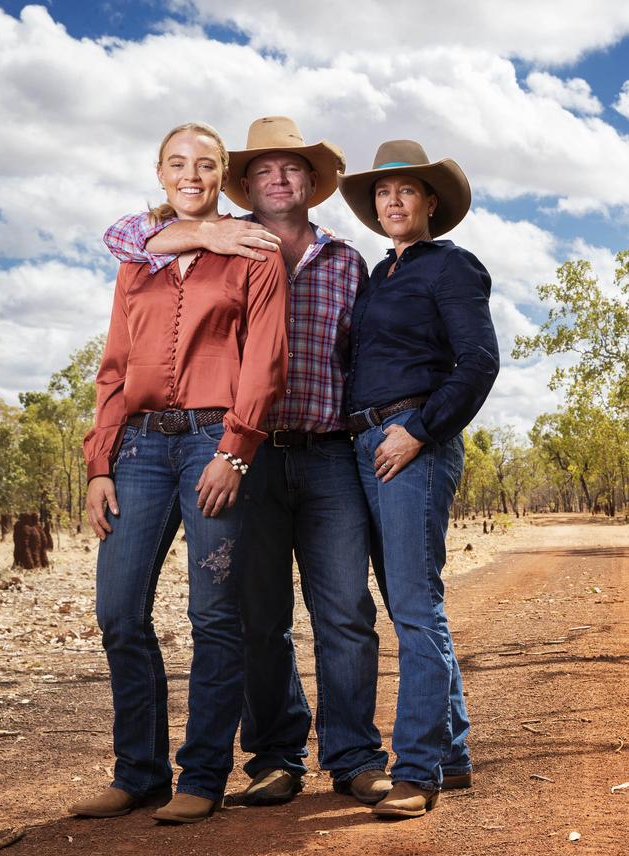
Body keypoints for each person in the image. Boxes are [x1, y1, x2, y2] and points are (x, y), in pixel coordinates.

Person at [102, 116, 392, 807]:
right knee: (258, 612)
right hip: (239, 454)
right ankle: (275, 756)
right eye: (264, 170)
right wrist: (202, 230)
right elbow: (120, 243)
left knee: (344, 610)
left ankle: (351, 755)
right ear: (248, 184)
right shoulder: (201, 244)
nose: (280, 179)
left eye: (293, 169)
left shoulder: (341, 261)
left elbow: (354, 360)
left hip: (313, 454)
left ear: (313, 183)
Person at [71, 122, 288, 824]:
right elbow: (113, 365)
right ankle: (139, 771)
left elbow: (267, 358)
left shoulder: (254, 249)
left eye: (204, 164)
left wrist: (236, 448)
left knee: (213, 614)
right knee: (118, 611)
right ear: (160, 172)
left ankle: (203, 774)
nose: (189, 174)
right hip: (137, 448)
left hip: (211, 441)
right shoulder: (139, 257)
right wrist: (99, 461)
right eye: (176, 163)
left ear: (221, 174)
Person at [338, 140, 499, 819]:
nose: (392, 200)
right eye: (382, 192)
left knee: (414, 603)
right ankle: (454, 753)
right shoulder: (376, 278)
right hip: (366, 443)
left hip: (413, 442)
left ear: (431, 202)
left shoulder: (452, 267)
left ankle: (418, 768)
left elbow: (479, 361)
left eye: (406, 189)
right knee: (406, 599)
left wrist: (421, 429)